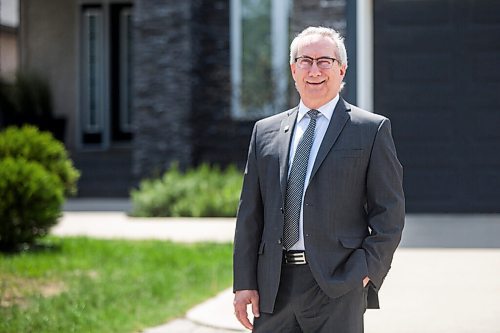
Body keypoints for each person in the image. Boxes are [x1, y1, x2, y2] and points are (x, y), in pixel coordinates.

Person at [232, 26, 405, 333]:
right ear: (293, 69)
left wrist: (365, 271)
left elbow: (389, 213)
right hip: (273, 287)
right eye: (305, 61)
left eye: (325, 61)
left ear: (342, 69)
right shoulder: (265, 132)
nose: (314, 70)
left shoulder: (370, 130)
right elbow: (250, 215)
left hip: (337, 285)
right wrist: (244, 283)